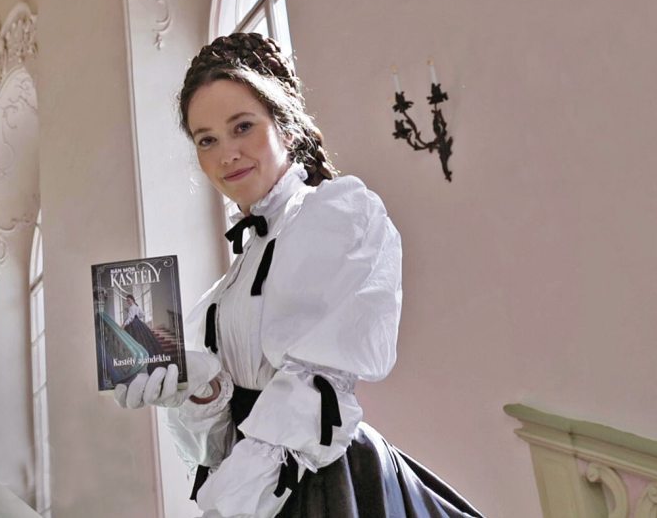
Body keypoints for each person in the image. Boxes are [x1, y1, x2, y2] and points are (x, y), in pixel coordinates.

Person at [114, 33, 483, 518]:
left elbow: (313, 393)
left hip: (322, 485)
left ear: (285, 128)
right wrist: (201, 389)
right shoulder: (232, 280)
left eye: (242, 126)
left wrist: (232, 504)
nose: (226, 154)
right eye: (207, 140)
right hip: (266, 488)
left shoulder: (338, 213)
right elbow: (221, 441)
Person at [122, 294, 164, 373]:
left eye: (129, 300)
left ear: (132, 299)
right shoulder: (136, 306)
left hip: (134, 325)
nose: (128, 302)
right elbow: (142, 314)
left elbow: (130, 318)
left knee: (136, 340)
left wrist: (124, 325)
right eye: (127, 300)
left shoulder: (132, 307)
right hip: (138, 323)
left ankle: (138, 359)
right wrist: (137, 317)